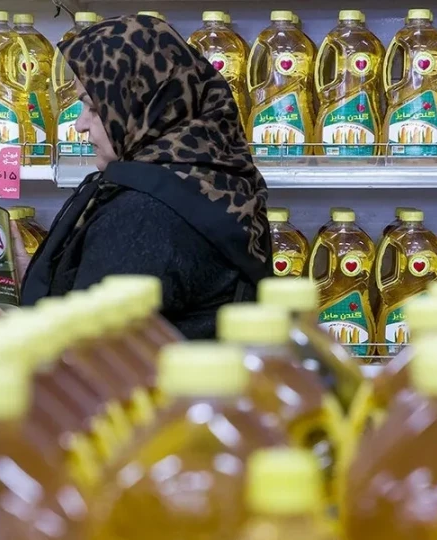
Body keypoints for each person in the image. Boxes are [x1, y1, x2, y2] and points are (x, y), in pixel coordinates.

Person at [17, 14, 272, 339]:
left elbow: (87, 349)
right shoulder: (201, 179)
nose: (80, 125)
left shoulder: (144, 216)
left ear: (140, 104)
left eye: (92, 108)